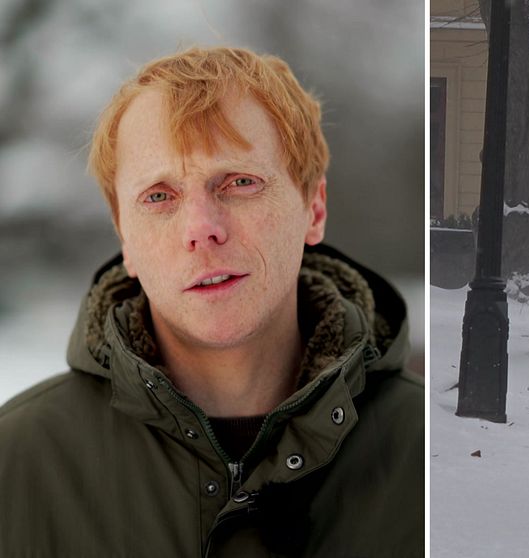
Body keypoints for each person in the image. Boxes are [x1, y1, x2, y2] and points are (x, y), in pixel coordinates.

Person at [0, 47, 424, 556]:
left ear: (314, 207)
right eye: (160, 196)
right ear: (124, 238)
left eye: (240, 182)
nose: (201, 229)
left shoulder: (428, 456)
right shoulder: (18, 463)